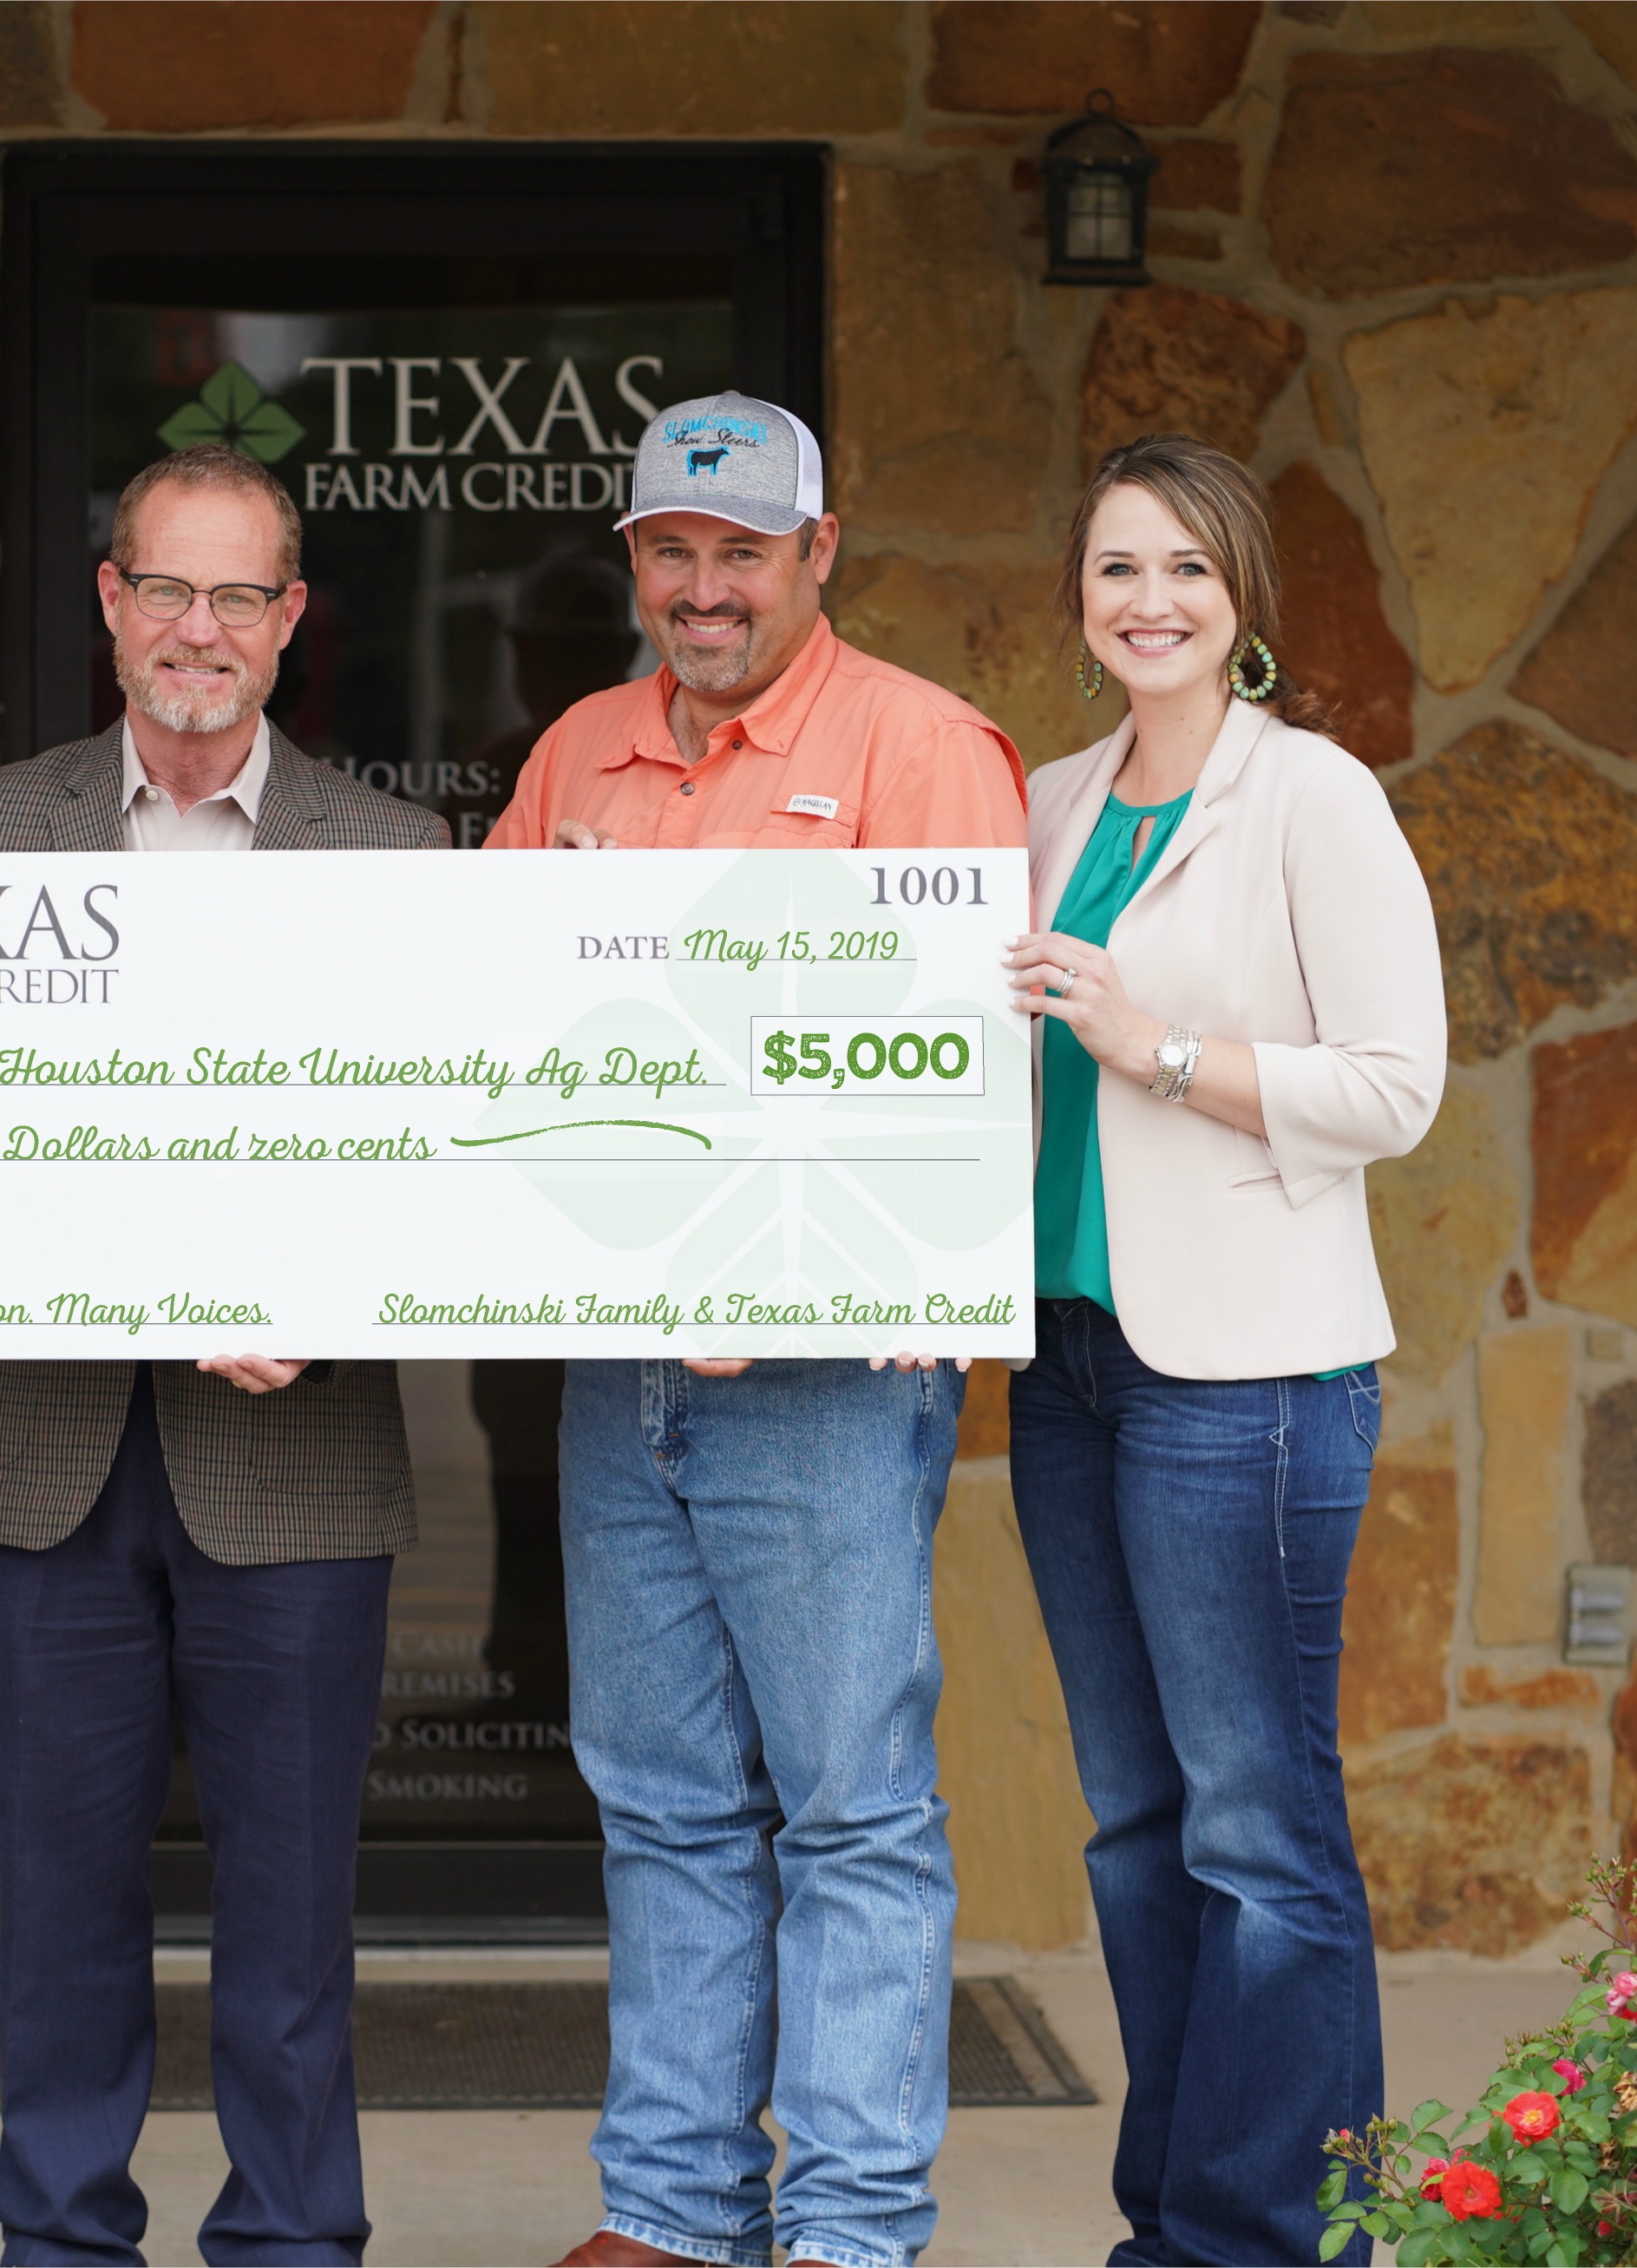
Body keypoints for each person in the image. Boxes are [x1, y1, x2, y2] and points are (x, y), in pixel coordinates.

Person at [0, 443, 444, 2268]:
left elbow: (441, 1143)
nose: (202, 629)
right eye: (169, 590)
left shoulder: (394, 850)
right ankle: (61, 2237)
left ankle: (291, 2238)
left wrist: (330, 1295)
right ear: (113, 604)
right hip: (47, 1448)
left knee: (289, 1908)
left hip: (295, 1449)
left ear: (291, 625)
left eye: (243, 596)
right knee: (58, 1900)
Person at [488, 391, 1027, 2268]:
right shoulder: (577, 753)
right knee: (658, 1804)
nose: (702, 586)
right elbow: (483, 1029)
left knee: (853, 1810)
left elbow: (959, 1076)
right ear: (633, 560)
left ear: (817, 553)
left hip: (815, 1383)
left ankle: (854, 2228)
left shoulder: (922, 748)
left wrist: (781, 1263)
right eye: (670, 550)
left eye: (742, 549)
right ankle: (676, 2209)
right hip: (622, 1365)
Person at [1003, 432, 1444, 2266]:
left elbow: (1397, 1085)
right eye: (1119, 568)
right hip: (1071, 1363)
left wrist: (1160, 1045)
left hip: (1245, 1379)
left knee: (1261, 1829)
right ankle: (1176, 2217)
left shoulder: (1312, 797)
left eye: (1186, 568)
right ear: (1082, 598)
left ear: (1242, 597)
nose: (1151, 601)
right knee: (1134, 1825)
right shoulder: (1041, 800)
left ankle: (1274, 2235)